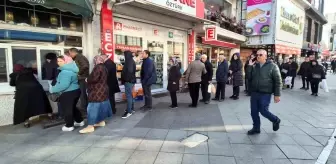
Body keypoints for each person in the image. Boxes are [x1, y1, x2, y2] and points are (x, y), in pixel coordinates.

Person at [246, 49, 282, 135]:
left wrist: (277, 94)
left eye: (260, 55)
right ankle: (256, 128)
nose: (258, 56)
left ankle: (275, 120)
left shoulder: (273, 66)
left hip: (265, 93)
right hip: (255, 92)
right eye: (257, 55)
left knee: (263, 110)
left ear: (265, 56)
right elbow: (249, 78)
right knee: (253, 111)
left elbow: (278, 81)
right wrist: (250, 66)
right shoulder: (254, 66)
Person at [79, 55, 112, 134]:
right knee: (101, 106)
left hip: (96, 91)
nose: (93, 61)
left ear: (96, 61)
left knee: (92, 108)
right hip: (103, 90)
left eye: (94, 60)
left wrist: (87, 79)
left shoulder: (98, 67)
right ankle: (101, 121)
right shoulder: (104, 67)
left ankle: (90, 126)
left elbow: (94, 78)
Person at [50, 55, 84, 132]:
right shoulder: (72, 69)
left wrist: (53, 89)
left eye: (61, 61)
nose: (58, 63)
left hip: (68, 93)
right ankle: (79, 121)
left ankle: (69, 125)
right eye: (58, 61)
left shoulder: (65, 72)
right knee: (72, 107)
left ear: (66, 61)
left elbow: (63, 85)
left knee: (67, 109)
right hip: (75, 91)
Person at [68, 48, 90, 114]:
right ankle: (84, 108)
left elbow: (85, 66)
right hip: (81, 78)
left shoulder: (79, 57)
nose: (69, 55)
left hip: (82, 78)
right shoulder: (78, 57)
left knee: (82, 94)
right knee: (81, 94)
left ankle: (84, 109)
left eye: (70, 53)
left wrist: (78, 73)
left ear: (73, 52)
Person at [121, 51, 136, 119]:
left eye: (125, 55)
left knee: (129, 96)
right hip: (131, 81)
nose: (124, 56)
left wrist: (125, 79)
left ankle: (129, 111)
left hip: (128, 81)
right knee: (130, 95)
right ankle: (131, 109)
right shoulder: (131, 60)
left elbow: (129, 71)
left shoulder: (129, 61)